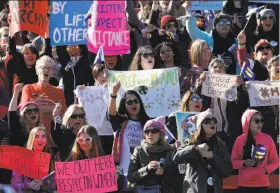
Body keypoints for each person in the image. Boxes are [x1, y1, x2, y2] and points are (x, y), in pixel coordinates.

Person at [173, 109, 232, 193]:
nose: (212, 123)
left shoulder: (221, 145)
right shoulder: (190, 140)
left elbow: (227, 171)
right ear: (200, 126)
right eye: (207, 121)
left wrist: (212, 157)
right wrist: (194, 148)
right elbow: (176, 158)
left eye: (214, 120)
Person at [109, 81, 150, 192]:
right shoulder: (121, 122)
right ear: (125, 105)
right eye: (130, 102)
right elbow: (112, 114)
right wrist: (113, 94)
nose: (133, 104)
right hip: (123, 172)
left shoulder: (148, 123)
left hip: (143, 172)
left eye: (136, 101)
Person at [21, 55, 67, 147]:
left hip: (53, 141)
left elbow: (63, 116)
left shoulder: (59, 91)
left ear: (52, 72)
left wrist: (38, 107)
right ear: (37, 70)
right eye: (43, 67)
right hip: (32, 139)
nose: (46, 70)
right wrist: (53, 109)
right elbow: (25, 111)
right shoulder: (28, 88)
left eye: (49, 68)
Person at [231, 109, 279, 193]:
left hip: (262, 184)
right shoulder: (240, 139)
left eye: (261, 120)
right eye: (256, 121)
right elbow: (232, 162)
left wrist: (266, 169)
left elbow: (276, 162)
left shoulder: (268, 139)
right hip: (243, 184)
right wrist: (243, 163)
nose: (260, 123)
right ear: (247, 121)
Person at [127, 117, 178, 193]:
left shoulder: (169, 150)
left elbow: (177, 176)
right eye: (147, 131)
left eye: (154, 131)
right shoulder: (139, 150)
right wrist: (146, 169)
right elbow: (130, 177)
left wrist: (164, 172)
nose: (150, 134)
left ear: (161, 134)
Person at [11, 126, 54, 193]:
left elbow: (55, 185)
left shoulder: (51, 159)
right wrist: (28, 185)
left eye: (43, 136)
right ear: (31, 139)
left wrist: (46, 183)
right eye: (36, 136)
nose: (40, 139)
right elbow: (14, 185)